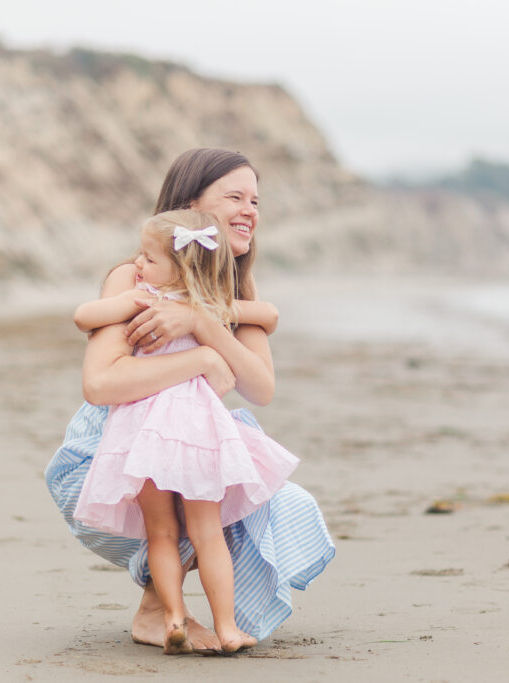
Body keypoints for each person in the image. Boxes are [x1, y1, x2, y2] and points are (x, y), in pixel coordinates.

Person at [45, 148, 335, 653]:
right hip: (106, 458)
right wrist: (200, 360)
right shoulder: (134, 278)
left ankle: (202, 614)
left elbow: (260, 388)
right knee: (188, 478)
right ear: (191, 208)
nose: (250, 210)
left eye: (256, 200)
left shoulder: (236, 287)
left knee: (278, 497)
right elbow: (101, 384)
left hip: (185, 442)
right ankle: (156, 609)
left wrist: (203, 322)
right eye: (234, 197)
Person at [71, 209, 299, 653]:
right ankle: (226, 626)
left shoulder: (145, 300)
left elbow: (84, 316)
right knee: (207, 531)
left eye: (149, 259)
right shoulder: (210, 303)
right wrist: (204, 311)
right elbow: (267, 314)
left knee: (161, 533)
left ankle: (174, 616)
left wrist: (137, 302)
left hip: (147, 434)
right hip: (197, 432)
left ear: (181, 267)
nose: (137, 265)